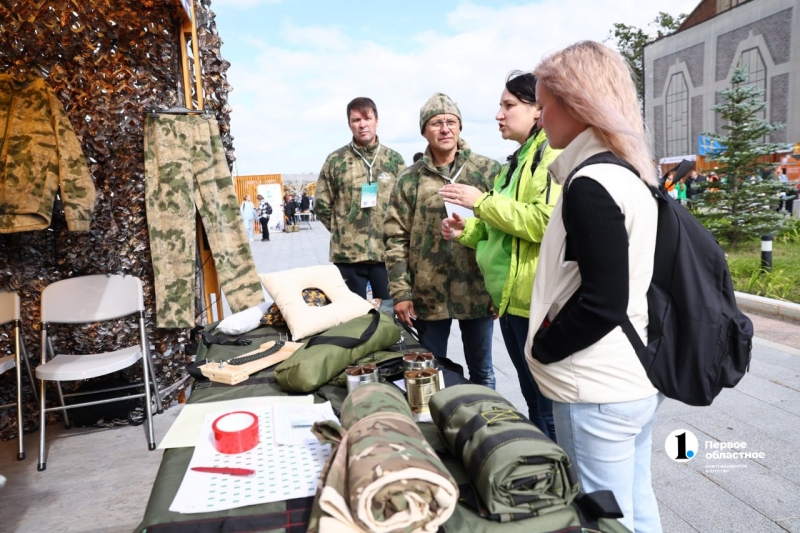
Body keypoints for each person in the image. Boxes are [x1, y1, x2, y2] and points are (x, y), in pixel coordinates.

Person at [525, 41, 663, 532]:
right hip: (629, 377)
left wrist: (544, 348)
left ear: (576, 102)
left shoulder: (591, 182)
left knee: (602, 519)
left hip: (595, 387)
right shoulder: (627, 173)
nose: (538, 119)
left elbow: (604, 301)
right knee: (637, 506)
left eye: (543, 106)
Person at [439, 71, 560, 440]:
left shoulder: (551, 154)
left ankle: (563, 479)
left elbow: (544, 223)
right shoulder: (514, 161)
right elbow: (499, 229)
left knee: (547, 406)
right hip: (511, 302)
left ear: (538, 109)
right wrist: (469, 230)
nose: (499, 115)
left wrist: (482, 202)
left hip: (536, 303)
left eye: (509, 105)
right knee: (534, 400)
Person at [385, 92, 501, 388]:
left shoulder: (486, 170)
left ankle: (488, 424)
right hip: (428, 294)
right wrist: (401, 292)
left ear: (460, 127)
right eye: (437, 123)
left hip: (477, 290)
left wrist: (501, 290)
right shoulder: (409, 179)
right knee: (428, 370)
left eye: (451, 121)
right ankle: (434, 425)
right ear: (425, 130)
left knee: (483, 371)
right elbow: (395, 236)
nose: (445, 128)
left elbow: (502, 230)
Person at [315, 97, 406, 310]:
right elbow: (321, 204)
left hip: (386, 255)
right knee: (350, 314)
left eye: (367, 118)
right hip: (348, 257)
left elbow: (404, 205)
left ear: (376, 120)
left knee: (389, 314)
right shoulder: (335, 161)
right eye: (356, 120)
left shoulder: (394, 160)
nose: (362, 124)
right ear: (349, 124)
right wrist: (344, 230)